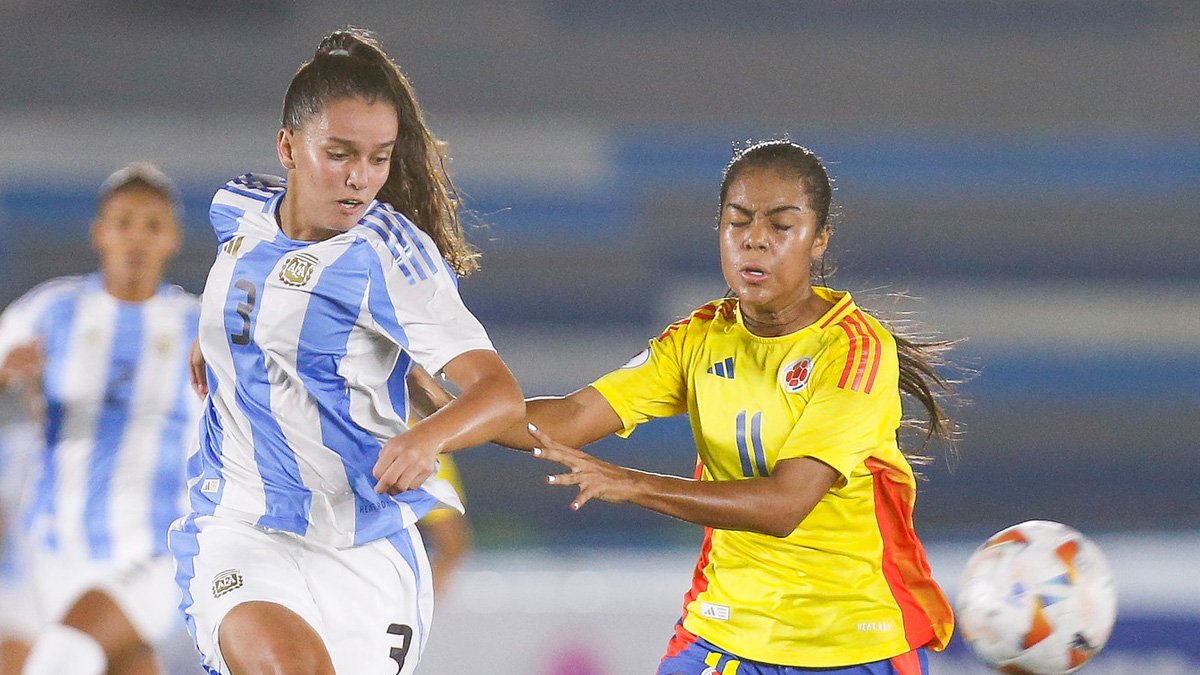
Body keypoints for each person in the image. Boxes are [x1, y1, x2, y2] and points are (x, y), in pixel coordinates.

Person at [419, 140, 958, 674]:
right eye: (738, 222)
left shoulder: (856, 351)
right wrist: (453, 407)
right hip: (724, 635)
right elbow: (570, 417)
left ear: (819, 240)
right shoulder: (700, 338)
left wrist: (634, 483)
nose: (755, 241)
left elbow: (785, 505)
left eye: (781, 225)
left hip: (849, 645)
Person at [168, 27, 524, 675]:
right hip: (240, 528)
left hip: (364, 546)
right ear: (288, 147)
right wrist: (215, 336)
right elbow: (247, 280)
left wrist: (428, 439)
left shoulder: (390, 255)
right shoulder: (237, 207)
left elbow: (498, 393)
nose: (361, 179)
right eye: (339, 153)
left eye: (379, 157)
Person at [0, 163, 201, 675]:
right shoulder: (50, 310)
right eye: (123, 222)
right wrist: (4, 379)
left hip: (154, 551)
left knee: (63, 656)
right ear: (99, 232)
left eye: (152, 225)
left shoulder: (202, 327)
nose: (136, 238)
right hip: (53, 552)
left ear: (172, 238)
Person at [416, 454, 472, 597]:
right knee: (450, 543)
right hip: (418, 452)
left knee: (453, 544)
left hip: (433, 452)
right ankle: (421, 600)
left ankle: (425, 600)